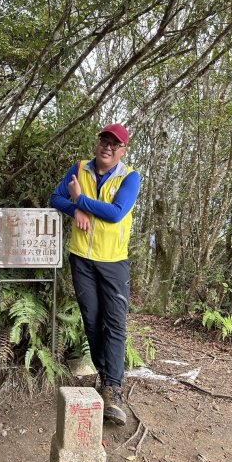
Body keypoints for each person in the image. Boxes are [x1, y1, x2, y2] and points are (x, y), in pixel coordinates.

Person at [50, 124, 140, 425]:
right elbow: (55, 198)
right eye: (105, 140)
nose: (108, 147)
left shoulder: (130, 177)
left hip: (114, 262)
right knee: (91, 321)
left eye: (115, 144)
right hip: (82, 260)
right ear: (98, 143)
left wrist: (81, 200)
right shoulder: (79, 169)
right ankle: (104, 377)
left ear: (123, 150)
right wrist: (75, 208)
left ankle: (113, 388)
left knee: (114, 323)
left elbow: (116, 213)